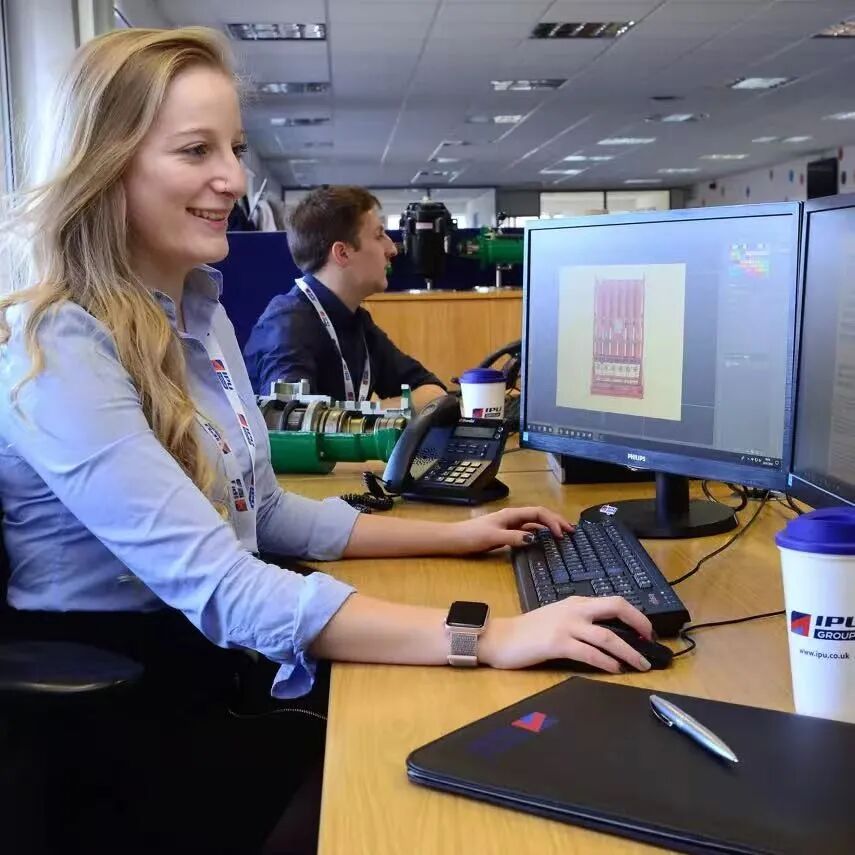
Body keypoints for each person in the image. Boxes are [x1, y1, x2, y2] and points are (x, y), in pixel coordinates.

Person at [0, 27, 653, 854]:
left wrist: (455, 536)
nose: (232, 179)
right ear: (108, 164)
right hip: (122, 703)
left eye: (234, 148)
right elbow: (222, 584)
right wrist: (485, 635)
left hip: (213, 656)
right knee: (415, 785)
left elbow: (266, 513)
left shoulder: (198, 313)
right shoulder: (58, 345)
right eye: (195, 150)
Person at [243, 185, 448, 409]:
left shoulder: (357, 321)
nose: (392, 249)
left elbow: (433, 392)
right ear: (342, 253)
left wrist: (365, 416)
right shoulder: (287, 326)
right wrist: (365, 417)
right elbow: (288, 421)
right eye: (379, 235)